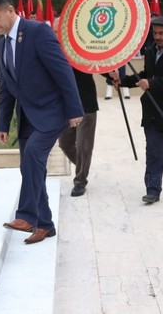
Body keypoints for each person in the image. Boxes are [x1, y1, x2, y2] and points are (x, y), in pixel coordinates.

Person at [0, 0, 84, 244]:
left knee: (33, 156)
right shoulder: (4, 44)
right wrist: (2, 124)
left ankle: (27, 215)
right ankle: (45, 225)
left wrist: (74, 110)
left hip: (52, 112)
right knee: (28, 167)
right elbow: (6, 88)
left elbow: (63, 71)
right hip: (27, 117)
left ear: (10, 10)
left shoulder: (38, 32)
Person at [109, 16, 163, 204]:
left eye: (162, 33)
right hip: (153, 112)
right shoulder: (150, 51)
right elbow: (145, 76)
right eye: (155, 33)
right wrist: (122, 81)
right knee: (154, 152)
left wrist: (152, 83)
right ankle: (153, 190)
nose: (157, 37)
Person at [52, 18, 98, 197]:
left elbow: (98, 62)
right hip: (65, 106)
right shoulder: (52, 51)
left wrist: (112, 74)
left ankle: (80, 181)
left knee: (84, 146)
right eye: (54, 32)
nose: (57, 35)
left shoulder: (82, 48)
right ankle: (83, 167)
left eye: (59, 31)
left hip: (85, 103)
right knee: (64, 143)